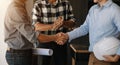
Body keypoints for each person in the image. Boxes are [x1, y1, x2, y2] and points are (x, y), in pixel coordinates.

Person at [56, 0, 120, 65]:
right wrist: (67, 35)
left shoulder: (115, 10)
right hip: (92, 56)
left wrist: (117, 56)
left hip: (107, 59)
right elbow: (85, 28)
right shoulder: (93, 9)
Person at [4, 0, 61, 65]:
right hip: (18, 55)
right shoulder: (16, 9)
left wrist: (53, 26)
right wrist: (56, 37)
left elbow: (30, 30)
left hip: (21, 53)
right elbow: (33, 36)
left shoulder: (19, 6)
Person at [32, 0, 76, 65]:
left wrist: (63, 23)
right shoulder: (38, 4)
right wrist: (53, 25)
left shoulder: (66, 3)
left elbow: (73, 23)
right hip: (43, 43)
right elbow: (36, 26)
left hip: (61, 43)